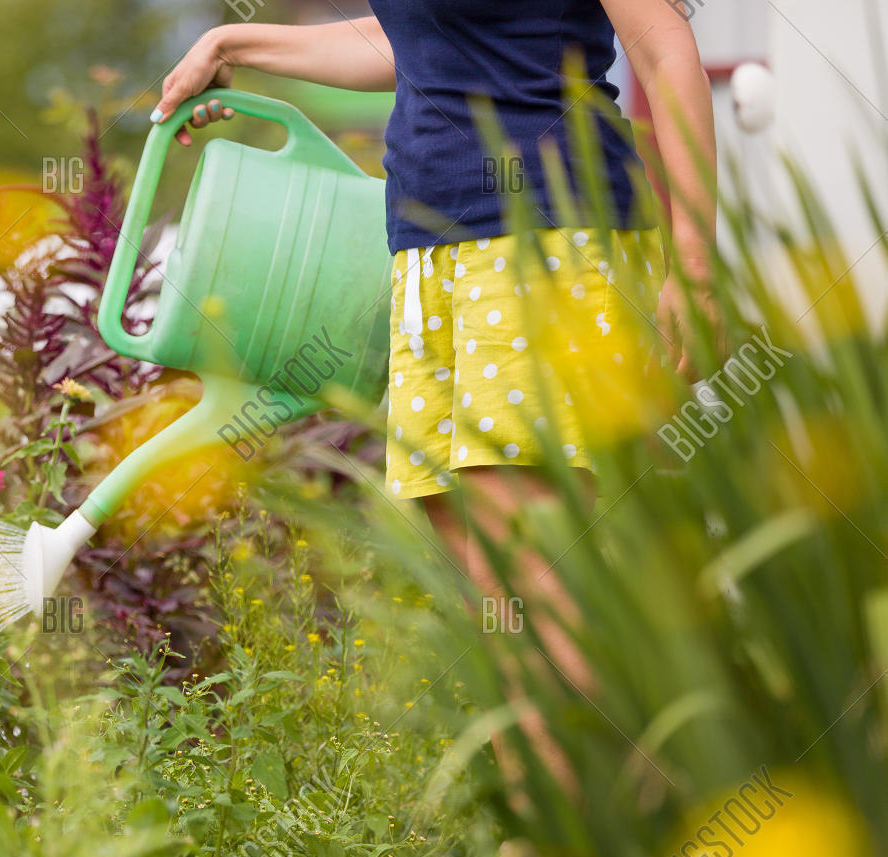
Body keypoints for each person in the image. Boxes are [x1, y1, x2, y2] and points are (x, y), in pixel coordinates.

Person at [154, 3, 717, 796]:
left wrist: (694, 260)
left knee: (536, 576)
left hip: (544, 239)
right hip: (434, 250)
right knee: (495, 591)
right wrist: (232, 41)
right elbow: (411, 37)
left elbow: (663, 47)